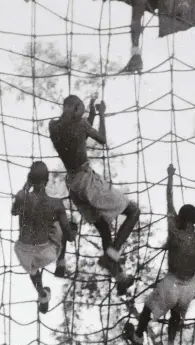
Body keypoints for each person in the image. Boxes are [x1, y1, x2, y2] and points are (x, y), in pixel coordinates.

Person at [49, 95, 139, 295]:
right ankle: (112, 253)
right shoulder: (80, 125)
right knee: (133, 211)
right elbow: (102, 139)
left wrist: (89, 113)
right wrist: (102, 115)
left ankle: (120, 278)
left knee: (105, 229)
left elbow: (79, 133)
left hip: (73, 186)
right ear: (75, 109)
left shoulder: (53, 127)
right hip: (86, 181)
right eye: (80, 108)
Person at [123, 164, 195, 345]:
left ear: (181, 219)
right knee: (176, 315)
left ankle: (139, 336)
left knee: (148, 307)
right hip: (190, 286)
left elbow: (169, 200)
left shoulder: (174, 232)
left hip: (173, 282)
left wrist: (169, 176)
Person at [12, 161, 76, 315]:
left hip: (23, 253)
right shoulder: (56, 203)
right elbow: (69, 237)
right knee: (64, 227)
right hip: (47, 254)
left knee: (32, 270)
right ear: (47, 181)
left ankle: (41, 292)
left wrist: (26, 187)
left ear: (30, 178)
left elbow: (14, 211)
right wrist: (73, 229)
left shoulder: (22, 196)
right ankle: (60, 262)